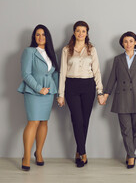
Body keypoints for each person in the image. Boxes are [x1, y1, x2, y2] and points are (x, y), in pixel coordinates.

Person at [100, 31, 136, 169]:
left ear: (135, 42)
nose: (128, 44)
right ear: (122, 44)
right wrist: (105, 94)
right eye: (125, 41)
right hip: (122, 98)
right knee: (126, 129)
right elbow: (112, 78)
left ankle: (130, 152)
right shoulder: (117, 59)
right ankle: (131, 156)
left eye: (131, 41)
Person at [57, 21, 105, 167]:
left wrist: (100, 91)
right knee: (77, 120)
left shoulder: (92, 49)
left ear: (87, 33)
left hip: (88, 86)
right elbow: (62, 72)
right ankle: (83, 154)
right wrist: (61, 94)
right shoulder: (66, 50)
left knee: (85, 121)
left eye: (83, 31)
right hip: (71, 86)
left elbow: (97, 71)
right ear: (74, 32)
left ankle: (78, 151)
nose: (80, 33)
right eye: (78, 31)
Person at [18, 24, 59, 171]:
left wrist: (58, 93)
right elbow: (26, 74)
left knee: (43, 122)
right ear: (34, 37)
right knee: (33, 122)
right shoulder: (29, 52)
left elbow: (55, 74)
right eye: (37, 34)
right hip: (33, 92)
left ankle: (39, 153)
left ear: (47, 37)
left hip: (48, 93)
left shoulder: (50, 53)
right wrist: (38, 89)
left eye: (43, 34)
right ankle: (26, 157)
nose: (40, 37)